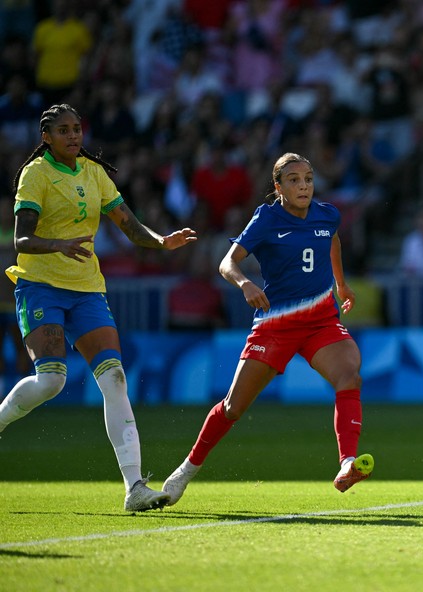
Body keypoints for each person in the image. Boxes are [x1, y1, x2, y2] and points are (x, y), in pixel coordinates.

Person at [0, 104, 198, 511]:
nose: (74, 136)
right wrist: (58, 245)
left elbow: (127, 224)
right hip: (40, 286)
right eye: (64, 130)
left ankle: (134, 489)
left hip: (87, 289)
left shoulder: (94, 173)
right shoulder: (35, 174)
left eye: (77, 128)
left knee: (116, 379)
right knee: (51, 381)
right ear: (46, 137)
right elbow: (20, 240)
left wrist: (161, 241)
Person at [162, 152, 373, 506]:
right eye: (293, 180)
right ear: (278, 187)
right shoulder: (266, 219)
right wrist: (245, 283)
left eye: (307, 178)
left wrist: (341, 284)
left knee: (349, 375)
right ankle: (185, 471)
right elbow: (227, 262)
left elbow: (331, 239)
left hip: (321, 321)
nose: (303, 185)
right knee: (233, 408)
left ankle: (347, 463)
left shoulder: (327, 214)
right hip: (275, 326)